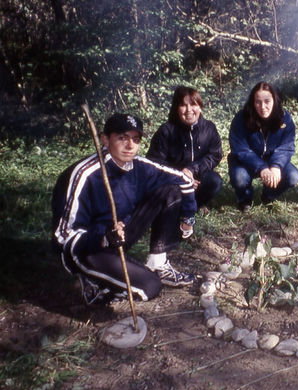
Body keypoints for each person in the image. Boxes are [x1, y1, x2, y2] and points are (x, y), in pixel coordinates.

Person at [52, 113, 197, 306]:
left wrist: (187, 218)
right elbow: (63, 237)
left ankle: (157, 262)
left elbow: (184, 180)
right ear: (105, 139)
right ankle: (92, 282)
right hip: (87, 249)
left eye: (135, 139)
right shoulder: (85, 175)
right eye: (122, 138)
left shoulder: (139, 166)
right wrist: (103, 237)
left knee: (170, 191)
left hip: (119, 237)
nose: (130, 146)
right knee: (150, 287)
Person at [146, 86, 223, 209]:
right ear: (176, 108)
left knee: (214, 181)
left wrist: (192, 170)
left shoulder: (209, 128)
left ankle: (197, 205)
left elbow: (215, 155)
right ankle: (177, 207)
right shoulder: (166, 131)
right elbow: (154, 162)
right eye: (183, 105)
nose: (189, 110)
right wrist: (180, 176)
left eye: (193, 104)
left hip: (199, 176)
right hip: (173, 180)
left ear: (200, 107)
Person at [228, 81, 298, 210]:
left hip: (272, 160)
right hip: (245, 161)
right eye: (258, 102)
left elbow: (286, 146)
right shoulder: (241, 118)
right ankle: (244, 198)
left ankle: (269, 194)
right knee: (240, 178)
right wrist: (261, 168)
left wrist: (276, 166)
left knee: (293, 176)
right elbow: (240, 149)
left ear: (274, 100)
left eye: (267, 101)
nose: (263, 107)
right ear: (252, 102)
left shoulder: (285, 118)